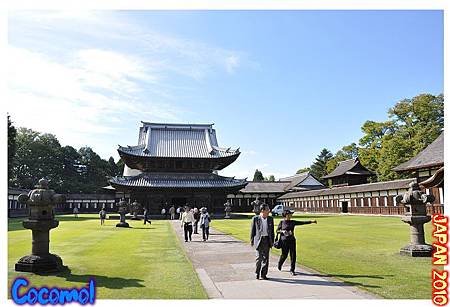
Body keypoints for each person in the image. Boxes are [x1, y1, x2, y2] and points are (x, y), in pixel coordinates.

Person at [276, 208, 317, 275]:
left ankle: (292, 270)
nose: (290, 215)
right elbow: (277, 231)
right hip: (284, 242)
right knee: (284, 255)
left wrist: (311, 221)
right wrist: (282, 231)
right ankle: (280, 264)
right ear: (285, 215)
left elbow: (302, 223)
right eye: (289, 214)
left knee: (293, 256)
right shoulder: (281, 222)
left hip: (292, 241)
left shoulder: (293, 222)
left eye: (290, 214)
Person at [250, 203, 274, 280]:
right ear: (263, 210)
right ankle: (257, 273)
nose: (269, 211)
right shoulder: (255, 219)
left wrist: (272, 241)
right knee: (259, 258)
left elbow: (272, 231)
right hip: (259, 241)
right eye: (267, 209)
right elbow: (253, 230)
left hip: (267, 240)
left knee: (266, 259)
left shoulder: (270, 219)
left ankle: (263, 274)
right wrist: (252, 240)